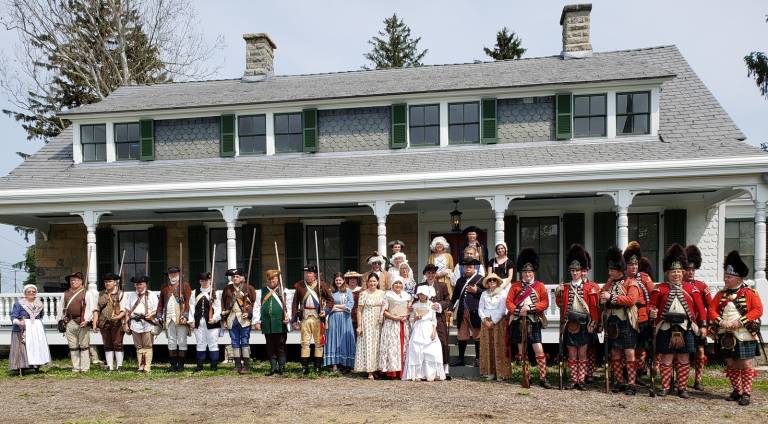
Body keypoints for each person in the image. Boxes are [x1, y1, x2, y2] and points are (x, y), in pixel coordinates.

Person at [648, 244, 706, 398]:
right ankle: (665, 387)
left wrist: (703, 326)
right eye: (673, 272)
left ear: (683, 272)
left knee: (683, 357)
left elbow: (701, 310)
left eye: (679, 271)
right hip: (665, 326)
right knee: (666, 357)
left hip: (686, 327)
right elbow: (651, 306)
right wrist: (651, 312)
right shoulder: (659, 289)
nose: (676, 274)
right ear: (667, 273)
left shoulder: (691, 289)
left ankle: (682, 388)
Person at [710, 250, 763, 406]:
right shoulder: (721, 294)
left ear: (739, 278)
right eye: (725, 276)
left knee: (746, 364)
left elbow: (758, 310)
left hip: (744, 334)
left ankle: (746, 393)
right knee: (731, 363)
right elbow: (711, 310)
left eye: (729, 276)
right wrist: (720, 321)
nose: (725, 279)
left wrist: (741, 321)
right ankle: (737, 391)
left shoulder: (750, 293)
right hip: (725, 334)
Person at [555, 244, 600, 390]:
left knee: (582, 354)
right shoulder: (566, 287)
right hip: (569, 324)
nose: (575, 273)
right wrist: (558, 293)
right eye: (572, 270)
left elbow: (593, 307)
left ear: (582, 271)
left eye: (577, 271)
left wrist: (593, 322)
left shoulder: (589, 288)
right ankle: (573, 380)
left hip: (584, 324)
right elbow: (560, 304)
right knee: (572, 354)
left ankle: (581, 380)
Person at [507, 248, 551, 388]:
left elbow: (545, 303)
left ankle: (543, 377)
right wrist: (518, 310)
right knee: (522, 351)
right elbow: (508, 302)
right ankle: (527, 376)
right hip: (518, 321)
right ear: (521, 273)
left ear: (534, 273)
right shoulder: (515, 286)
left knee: (538, 349)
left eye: (529, 272)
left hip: (534, 320)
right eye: (525, 272)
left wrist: (531, 308)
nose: (527, 274)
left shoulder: (540, 286)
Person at [599, 247, 642, 394]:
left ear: (620, 270)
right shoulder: (609, 283)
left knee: (629, 353)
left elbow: (631, 300)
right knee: (615, 353)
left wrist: (612, 297)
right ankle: (619, 381)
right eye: (609, 269)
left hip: (626, 321)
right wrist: (602, 298)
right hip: (612, 321)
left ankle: (631, 383)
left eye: (612, 270)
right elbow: (601, 296)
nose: (610, 272)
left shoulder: (631, 283)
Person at [291, 264, 333, 374]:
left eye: (309, 273)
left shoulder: (321, 285)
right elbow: (295, 303)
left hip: (318, 318)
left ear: (314, 274)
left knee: (319, 343)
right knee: (304, 343)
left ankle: (317, 367)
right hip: (305, 317)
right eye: (306, 273)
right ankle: (304, 367)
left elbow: (330, 300)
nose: (307, 275)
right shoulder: (300, 285)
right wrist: (294, 319)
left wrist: (326, 311)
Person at [623, 241, 655, 383]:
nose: (634, 267)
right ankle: (627, 375)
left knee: (641, 349)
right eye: (631, 264)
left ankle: (638, 373)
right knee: (628, 349)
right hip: (626, 319)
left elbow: (653, 296)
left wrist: (650, 311)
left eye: (635, 264)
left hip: (642, 319)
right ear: (626, 266)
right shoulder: (621, 279)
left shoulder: (644, 278)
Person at [403, 285, 447, 381]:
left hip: (429, 328)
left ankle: (430, 374)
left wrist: (434, 331)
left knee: (432, 350)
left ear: (427, 295)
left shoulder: (431, 305)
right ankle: (418, 374)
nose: (422, 296)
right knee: (417, 350)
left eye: (424, 294)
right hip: (418, 328)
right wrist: (415, 318)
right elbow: (410, 319)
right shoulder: (415, 306)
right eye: (420, 294)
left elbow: (434, 320)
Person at [684, 244, 713, 391]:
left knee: (700, 352)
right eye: (688, 270)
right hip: (684, 325)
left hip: (699, 324)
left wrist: (708, 324)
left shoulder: (702, 286)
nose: (690, 273)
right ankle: (679, 380)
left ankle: (698, 379)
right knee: (682, 354)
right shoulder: (678, 286)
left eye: (692, 270)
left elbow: (711, 306)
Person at [417, 264, 452, 379]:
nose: (431, 275)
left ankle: (445, 369)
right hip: (425, 320)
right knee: (426, 344)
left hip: (438, 317)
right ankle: (426, 370)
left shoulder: (442, 285)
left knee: (443, 341)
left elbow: (448, 300)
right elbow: (415, 301)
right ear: (425, 275)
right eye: (428, 273)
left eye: (433, 273)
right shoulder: (420, 286)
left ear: (435, 274)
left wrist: (439, 305)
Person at [221, 268, 257, 374]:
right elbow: (223, 304)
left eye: (237, 276)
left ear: (242, 277)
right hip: (232, 318)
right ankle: (237, 365)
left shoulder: (248, 288)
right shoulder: (227, 289)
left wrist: (249, 313)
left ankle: (246, 365)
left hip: (244, 319)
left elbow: (254, 304)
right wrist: (224, 319)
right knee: (234, 341)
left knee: (245, 341)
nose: (235, 278)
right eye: (233, 277)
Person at [156, 266, 192, 372]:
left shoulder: (184, 286)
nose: (173, 276)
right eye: (171, 274)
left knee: (182, 341)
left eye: (175, 274)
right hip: (169, 318)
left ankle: (180, 366)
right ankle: (173, 365)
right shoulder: (164, 287)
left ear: (179, 275)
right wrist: (159, 315)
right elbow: (161, 303)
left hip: (181, 318)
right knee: (171, 341)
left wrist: (185, 315)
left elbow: (189, 302)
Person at [9, 284, 51, 374]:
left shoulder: (39, 304)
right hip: (22, 328)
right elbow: (13, 316)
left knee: (36, 347)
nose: (31, 293)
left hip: (35, 329)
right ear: (25, 293)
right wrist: (19, 322)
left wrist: (36, 323)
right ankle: (22, 368)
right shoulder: (19, 304)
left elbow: (41, 315)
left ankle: (36, 367)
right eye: (29, 291)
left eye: (33, 291)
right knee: (23, 348)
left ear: (36, 293)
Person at [450, 258, 484, 367]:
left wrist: (477, 291)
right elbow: (455, 296)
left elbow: (486, 294)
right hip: (462, 311)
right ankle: (461, 359)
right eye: (466, 267)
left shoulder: (480, 279)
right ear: (463, 268)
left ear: (474, 268)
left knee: (477, 335)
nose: (468, 269)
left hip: (474, 311)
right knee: (462, 335)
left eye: (470, 267)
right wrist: (450, 309)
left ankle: (478, 359)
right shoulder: (460, 280)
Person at [478, 273, 511, 381]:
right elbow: (480, 308)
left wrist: (494, 321)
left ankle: (501, 373)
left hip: (498, 322)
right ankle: (489, 372)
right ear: (487, 283)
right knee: (487, 347)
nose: (492, 282)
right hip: (486, 322)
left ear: (497, 282)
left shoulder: (502, 293)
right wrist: (484, 319)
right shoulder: (484, 294)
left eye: (494, 280)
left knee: (499, 346)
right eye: (490, 281)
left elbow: (502, 310)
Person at [256, 269, 289, 376]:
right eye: (269, 279)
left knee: (281, 346)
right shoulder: (262, 291)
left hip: (280, 323)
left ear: (278, 279)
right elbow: (257, 307)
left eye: (274, 279)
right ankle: (273, 367)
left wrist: (288, 317)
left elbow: (289, 306)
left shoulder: (284, 291)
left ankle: (282, 367)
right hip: (267, 323)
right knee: (270, 346)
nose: (271, 281)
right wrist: (257, 320)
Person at [122, 276, 158, 373]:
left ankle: (147, 367)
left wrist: (151, 314)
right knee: (138, 346)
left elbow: (157, 309)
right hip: (135, 323)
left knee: (148, 346)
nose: (138, 286)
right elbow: (127, 311)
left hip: (147, 322)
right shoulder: (131, 296)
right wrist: (126, 323)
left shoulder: (152, 295)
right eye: (137, 284)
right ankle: (141, 366)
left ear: (145, 284)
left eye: (140, 284)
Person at [60, 272, 94, 372]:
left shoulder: (86, 293)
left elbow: (90, 308)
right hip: (70, 321)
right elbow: (61, 308)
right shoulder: (65, 294)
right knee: (73, 346)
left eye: (75, 280)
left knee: (84, 346)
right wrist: (62, 319)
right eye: (71, 280)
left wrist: (87, 320)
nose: (73, 282)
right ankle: (76, 366)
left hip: (82, 322)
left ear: (81, 281)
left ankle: (85, 367)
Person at [379, 277, 412, 379]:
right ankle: (392, 372)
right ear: (392, 285)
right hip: (392, 324)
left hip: (403, 324)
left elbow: (409, 310)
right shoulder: (388, 295)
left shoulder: (407, 296)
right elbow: (384, 311)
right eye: (396, 283)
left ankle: (402, 371)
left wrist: (407, 315)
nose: (398, 285)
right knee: (392, 347)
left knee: (403, 347)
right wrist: (394, 317)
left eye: (400, 283)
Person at [354, 273, 386, 379]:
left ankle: (377, 368)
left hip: (379, 322)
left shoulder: (382, 293)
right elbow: (359, 310)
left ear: (377, 282)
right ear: (367, 282)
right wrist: (359, 325)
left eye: (374, 281)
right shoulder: (363, 294)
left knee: (377, 345)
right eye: (370, 281)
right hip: (367, 321)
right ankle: (369, 371)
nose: (372, 283)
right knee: (368, 345)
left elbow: (385, 307)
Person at [323, 272, 356, 372]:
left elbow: (350, 305)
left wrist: (336, 307)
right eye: (336, 280)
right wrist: (339, 307)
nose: (338, 282)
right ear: (334, 281)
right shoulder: (330, 291)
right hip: (333, 318)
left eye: (340, 280)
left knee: (344, 338)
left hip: (345, 318)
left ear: (343, 280)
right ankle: (334, 364)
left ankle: (346, 364)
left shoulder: (348, 291)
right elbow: (328, 305)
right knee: (334, 338)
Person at [93, 272, 125, 371]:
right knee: (107, 344)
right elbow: (96, 309)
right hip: (104, 322)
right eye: (106, 281)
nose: (107, 283)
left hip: (117, 323)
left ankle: (119, 366)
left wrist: (118, 317)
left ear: (115, 283)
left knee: (118, 344)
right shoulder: (100, 294)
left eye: (109, 281)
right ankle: (110, 367)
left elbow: (124, 310)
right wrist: (95, 323)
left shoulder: (121, 294)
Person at [190, 272, 221, 372]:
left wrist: (215, 318)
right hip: (199, 322)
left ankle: (214, 365)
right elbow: (191, 308)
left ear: (209, 281)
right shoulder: (194, 292)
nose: (204, 282)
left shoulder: (214, 292)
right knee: (200, 343)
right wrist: (192, 320)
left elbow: (219, 308)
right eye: (202, 281)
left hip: (212, 322)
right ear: (199, 281)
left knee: (213, 344)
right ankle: (200, 365)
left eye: (206, 280)